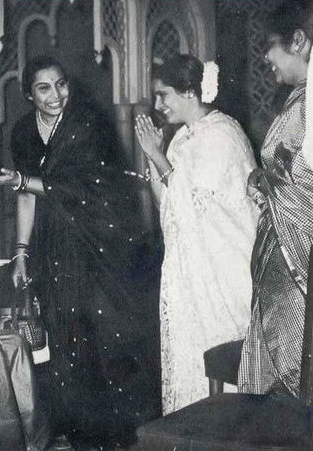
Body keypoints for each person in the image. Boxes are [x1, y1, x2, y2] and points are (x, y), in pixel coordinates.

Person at [0, 55, 160, 449]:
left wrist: (26, 180)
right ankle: (83, 436)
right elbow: (26, 196)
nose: (56, 95)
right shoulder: (25, 132)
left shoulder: (87, 124)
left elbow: (91, 188)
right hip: (53, 246)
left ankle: (122, 436)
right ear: (29, 95)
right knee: (64, 336)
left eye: (61, 84)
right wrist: (22, 252)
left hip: (101, 243)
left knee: (106, 334)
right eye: (44, 88)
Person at [134, 54, 259, 415]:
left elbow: (197, 209)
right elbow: (169, 208)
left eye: (164, 95)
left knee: (221, 361)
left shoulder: (222, 134)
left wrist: (157, 156)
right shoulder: (182, 138)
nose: (158, 105)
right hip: (188, 270)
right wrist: (156, 157)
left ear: (190, 92)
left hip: (221, 270)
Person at [238, 0, 313, 396]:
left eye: (270, 46)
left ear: (298, 41)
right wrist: (261, 176)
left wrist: (267, 182)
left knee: (289, 361)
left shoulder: (308, 105)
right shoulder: (298, 99)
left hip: (294, 259)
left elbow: (302, 180)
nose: (265, 56)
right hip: (278, 250)